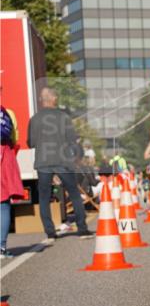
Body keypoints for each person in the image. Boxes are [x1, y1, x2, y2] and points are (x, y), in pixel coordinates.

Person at [27, 87, 92, 242]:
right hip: (63, 161)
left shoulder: (34, 119)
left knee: (44, 197)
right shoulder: (64, 117)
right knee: (74, 193)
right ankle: (82, 229)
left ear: (42, 100)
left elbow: (31, 143)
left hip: (43, 162)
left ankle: (50, 233)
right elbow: (72, 140)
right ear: (54, 99)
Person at [1, 101, 25, 258]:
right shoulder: (7, 113)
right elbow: (15, 139)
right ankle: (1, 247)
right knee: (3, 205)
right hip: (3, 157)